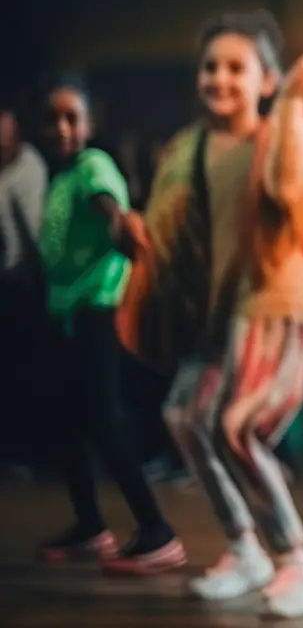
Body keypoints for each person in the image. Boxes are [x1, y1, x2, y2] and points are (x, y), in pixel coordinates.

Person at [118, 13, 303, 619]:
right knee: (185, 416)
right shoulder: (188, 148)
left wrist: (292, 103)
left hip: (270, 298)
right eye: (211, 66)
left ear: (266, 81)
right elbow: (169, 229)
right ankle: (245, 549)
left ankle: (296, 561)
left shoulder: (281, 131)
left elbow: (290, 192)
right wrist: (132, 233)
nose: (219, 78)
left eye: (236, 67)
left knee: (237, 426)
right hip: (213, 307)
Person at [33, 79, 186, 573]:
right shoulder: (60, 177)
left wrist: (123, 226)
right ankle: (91, 526)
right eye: (53, 119)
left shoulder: (94, 166)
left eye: (72, 119)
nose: (62, 129)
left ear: (89, 125)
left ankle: (157, 531)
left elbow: (110, 209)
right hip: (67, 312)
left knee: (103, 417)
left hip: (97, 308)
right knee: (67, 420)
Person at [0, 100, 48, 475]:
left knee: (27, 370)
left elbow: (35, 236)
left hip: (29, 282)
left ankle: (31, 454)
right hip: (9, 278)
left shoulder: (30, 167)